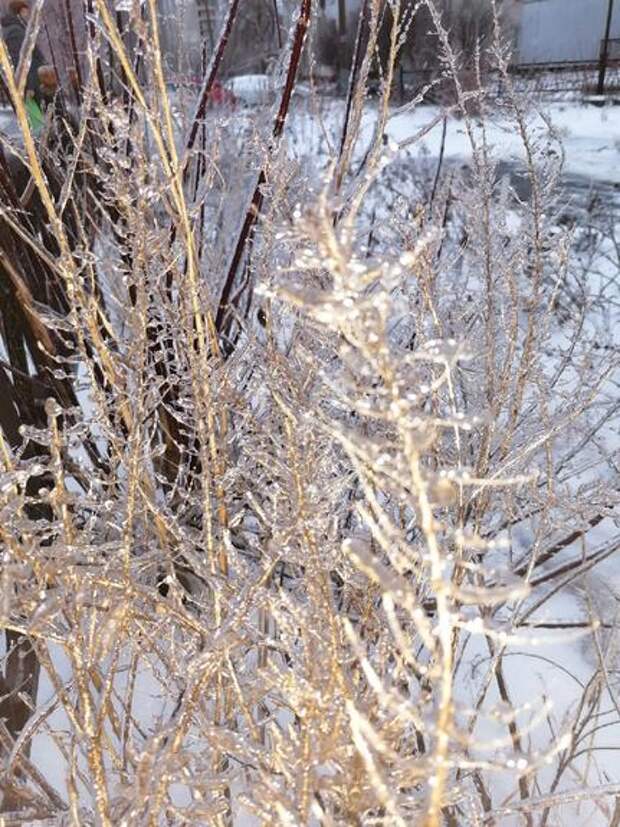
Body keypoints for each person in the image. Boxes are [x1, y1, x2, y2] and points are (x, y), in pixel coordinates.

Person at [1, 0, 57, 131]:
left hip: (33, 82)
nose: (27, 13)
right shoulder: (16, 32)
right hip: (31, 85)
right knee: (40, 127)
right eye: (25, 10)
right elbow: (23, 62)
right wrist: (30, 86)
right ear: (19, 11)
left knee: (41, 123)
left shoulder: (17, 28)